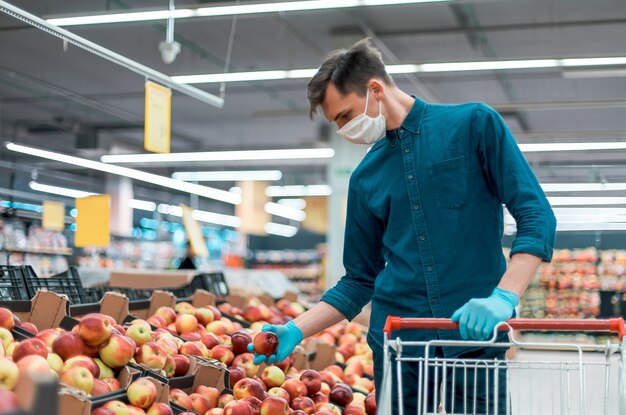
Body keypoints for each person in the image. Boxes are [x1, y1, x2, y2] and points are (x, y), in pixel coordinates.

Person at [249, 38, 556, 413]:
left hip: (475, 338)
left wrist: (504, 296)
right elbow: (358, 279)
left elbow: (535, 213)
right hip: (398, 343)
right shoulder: (365, 177)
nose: (344, 130)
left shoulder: (473, 125)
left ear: (375, 89)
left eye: (345, 116)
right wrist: (296, 329)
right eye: (336, 123)